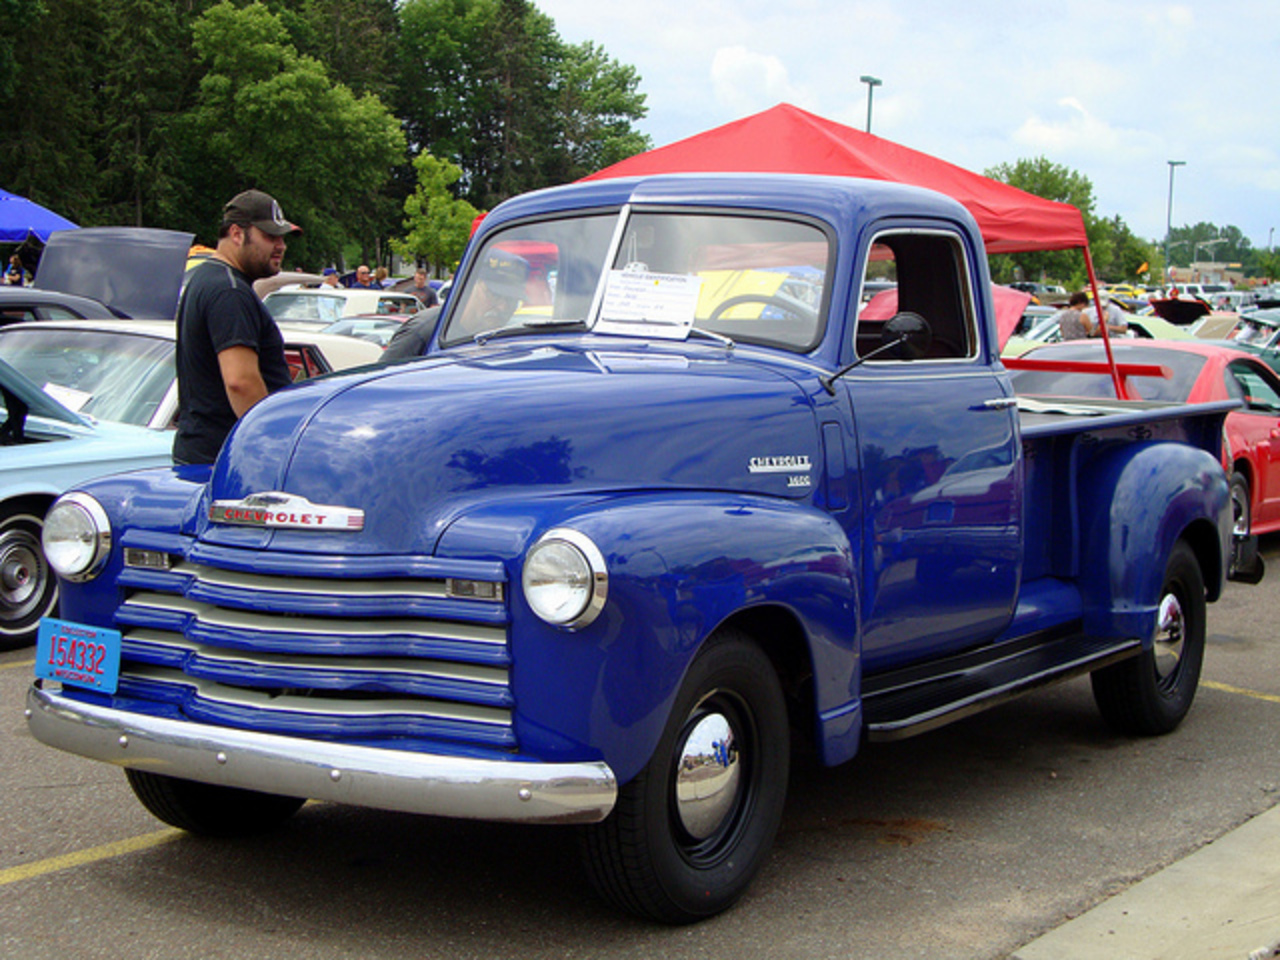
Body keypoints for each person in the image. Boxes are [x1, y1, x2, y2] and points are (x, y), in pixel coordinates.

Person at [172, 189, 299, 465]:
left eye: (282, 237)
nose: (281, 246)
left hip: (204, 452)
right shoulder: (230, 292)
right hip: (225, 458)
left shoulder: (207, 279)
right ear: (237, 234)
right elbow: (240, 382)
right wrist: (271, 448)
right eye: (269, 236)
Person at [380, 251, 528, 362]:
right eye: (494, 295)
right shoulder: (425, 331)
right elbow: (383, 386)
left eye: (511, 300)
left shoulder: (506, 340)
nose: (503, 307)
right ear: (470, 286)